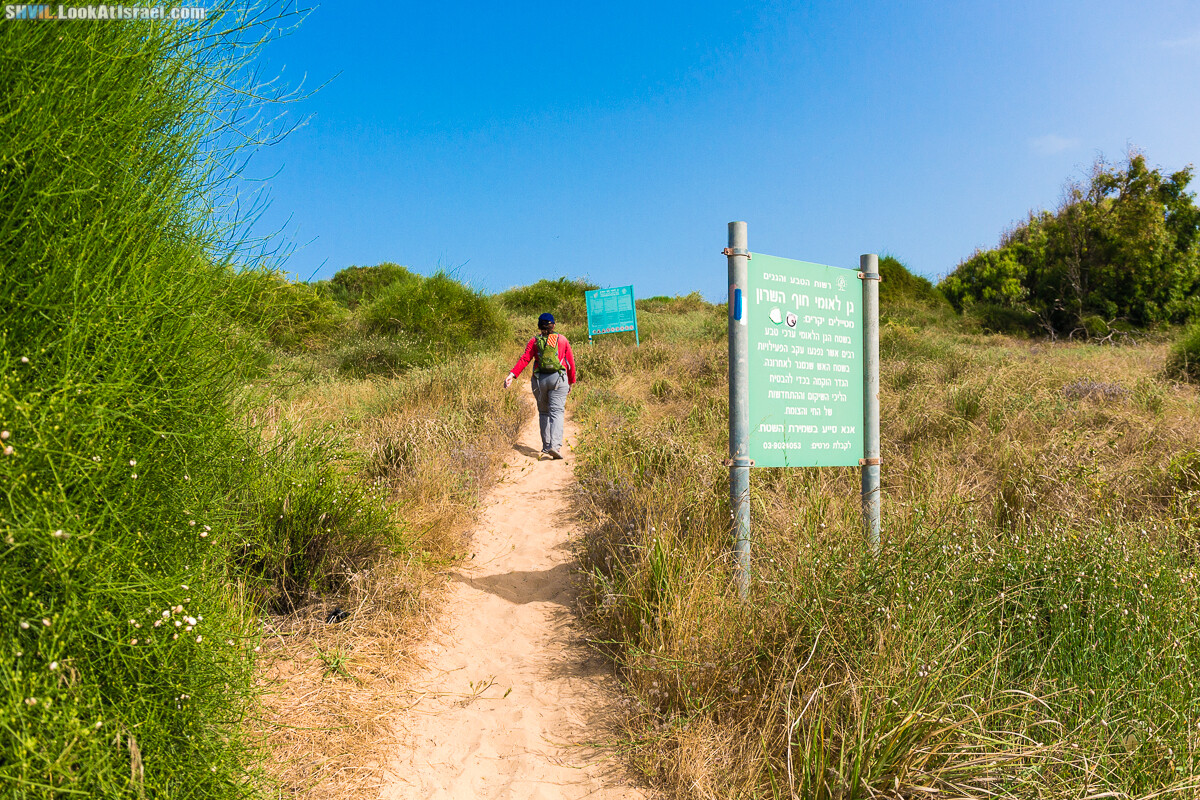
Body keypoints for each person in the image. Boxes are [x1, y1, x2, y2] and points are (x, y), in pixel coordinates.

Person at [504, 312, 577, 459]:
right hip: (558, 379)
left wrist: (512, 374)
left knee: (544, 412)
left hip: (539, 380)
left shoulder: (534, 341)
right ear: (553, 325)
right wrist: (571, 381)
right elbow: (570, 363)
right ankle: (555, 447)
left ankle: (546, 446)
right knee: (556, 412)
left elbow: (525, 359)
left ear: (539, 326)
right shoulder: (562, 340)